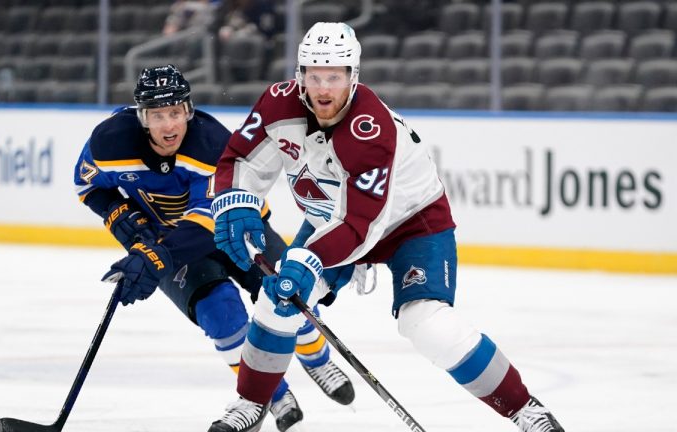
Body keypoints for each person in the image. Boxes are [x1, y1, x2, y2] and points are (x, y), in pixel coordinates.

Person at [207, 22, 565, 432]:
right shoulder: (277, 104)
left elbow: (361, 224)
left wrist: (305, 262)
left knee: (427, 323)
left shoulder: (370, 129)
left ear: (353, 77)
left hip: (411, 224)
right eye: (315, 75)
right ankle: (251, 403)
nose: (324, 89)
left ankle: (524, 410)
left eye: (335, 77)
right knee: (277, 303)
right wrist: (236, 202)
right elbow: (242, 159)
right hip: (332, 219)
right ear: (299, 74)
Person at [72, 65, 355, 432]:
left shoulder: (210, 143)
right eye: (158, 115)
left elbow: (207, 222)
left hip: (234, 227)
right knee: (220, 315)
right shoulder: (110, 142)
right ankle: (269, 394)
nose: (169, 125)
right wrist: (118, 215)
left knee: (287, 293)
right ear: (142, 117)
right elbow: (88, 186)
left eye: (176, 112)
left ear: (188, 110)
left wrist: (154, 258)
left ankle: (315, 357)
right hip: (167, 241)